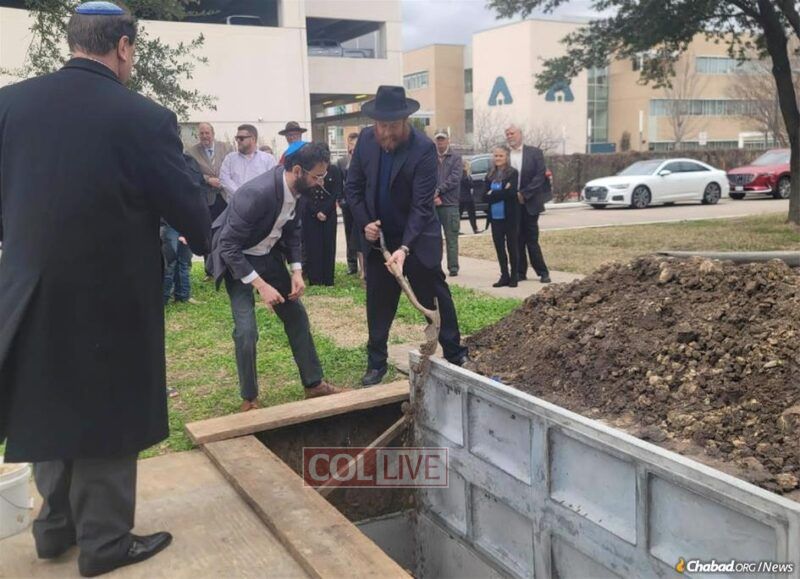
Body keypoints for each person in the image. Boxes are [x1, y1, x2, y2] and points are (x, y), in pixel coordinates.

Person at [0, 3, 210, 577]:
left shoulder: (9, 105)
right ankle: (105, 543)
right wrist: (208, 233)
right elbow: (187, 207)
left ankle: (53, 532)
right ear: (123, 46)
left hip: (28, 292)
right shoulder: (142, 117)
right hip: (109, 300)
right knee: (108, 414)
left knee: (46, 406)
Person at [345, 86, 470, 386]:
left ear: (405, 122)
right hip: (377, 237)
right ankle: (376, 363)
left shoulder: (423, 148)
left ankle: (455, 351)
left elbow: (422, 204)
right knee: (378, 298)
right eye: (381, 126)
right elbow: (353, 189)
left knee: (434, 291)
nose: (386, 132)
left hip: (417, 234)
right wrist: (366, 224)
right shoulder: (365, 140)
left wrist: (404, 248)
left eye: (392, 126)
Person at [210, 141, 341, 411]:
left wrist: (296, 271)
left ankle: (313, 384)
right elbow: (228, 246)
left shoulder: (300, 190)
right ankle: (249, 398)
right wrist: (261, 286)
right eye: (316, 176)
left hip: (268, 256)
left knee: (296, 315)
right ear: (297, 170)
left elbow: (293, 230)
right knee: (246, 332)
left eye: (323, 176)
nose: (320, 182)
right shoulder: (256, 194)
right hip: (239, 259)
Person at [505, 125, 552, 283]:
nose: (509, 136)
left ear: (520, 135)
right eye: (507, 134)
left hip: (530, 202)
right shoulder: (505, 155)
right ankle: (520, 271)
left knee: (531, 239)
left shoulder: (535, 153)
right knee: (517, 239)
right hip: (512, 204)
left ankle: (542, 271)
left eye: (512, 133)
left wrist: (524, 194)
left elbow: (539, 177)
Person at [186, 122, 232, 278]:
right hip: (207, 199)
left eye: (207, 133)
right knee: (209, 232)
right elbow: (191, 173)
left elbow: (232, 166)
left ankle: (227, 266)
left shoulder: (226, 147)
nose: (205, 136)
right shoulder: (192, 152)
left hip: (226, 197)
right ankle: (210, 269)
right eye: (202, 133)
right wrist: (207, 179)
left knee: (227, 231)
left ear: (213, 133)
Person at [161, 154, 206, 304]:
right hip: (169, 222)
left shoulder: (190, 161)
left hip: (187, 220)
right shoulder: (164, 166)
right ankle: (163, 299)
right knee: (170, 260)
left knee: (184, 260)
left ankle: (183, 295)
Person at [302, 144, 338, 286]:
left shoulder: (333, 170)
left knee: (329, 246)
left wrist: (325, 211)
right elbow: (305, 194)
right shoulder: (309, 172)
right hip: (311, 213)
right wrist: (316, 211)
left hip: (329, 214)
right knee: (313, 246)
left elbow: (336, 192)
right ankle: (315, 278)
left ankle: (328, 278)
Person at [484, 146, 520, 288]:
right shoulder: (489, 175)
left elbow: (511, 194)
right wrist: (499, 193)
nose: (498, 158)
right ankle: (504, 275)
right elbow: (483, 196)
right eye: (496, 156)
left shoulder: (513, 173)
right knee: (499, 247)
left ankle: (514, 276)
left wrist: (492, 194)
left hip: (510, 217)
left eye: (501, 156)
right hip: (495, 217)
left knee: (512, 246)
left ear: (507, 157)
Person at [433, 130, 463, 277]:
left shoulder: (456, 158)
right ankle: (435, 266)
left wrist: (439, 191)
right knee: (434, 239)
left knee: (451, 238)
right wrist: (433, 195)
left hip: (450, 204)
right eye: (438, 139)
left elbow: (455, 179)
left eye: (442, 139)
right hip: (433, 204)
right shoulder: (430, 157)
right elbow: (426, 176)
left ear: (448, 140)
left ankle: (453, 267)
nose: (440, 142)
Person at [219, 124, 277, 200]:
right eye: (237, 138)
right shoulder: (230, 158)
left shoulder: (268, 159)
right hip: (236, 206)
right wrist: (241, 194)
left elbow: (273, 181)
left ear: (253, 139)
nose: (238, 141)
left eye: (241, 138)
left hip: (260, 204)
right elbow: (224, 179)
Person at [337, 132, 360, 275]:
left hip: (360, 203)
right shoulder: (342, 162)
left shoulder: (363, 159)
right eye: (351, 143)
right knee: (349, 233)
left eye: (355, 143)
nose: (353, 146)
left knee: (360, 233)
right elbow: (339, 183)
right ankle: (351, 264)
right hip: (347, 203)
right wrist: (340, 200)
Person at [459, 159, 480, 235]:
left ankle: (474, 228)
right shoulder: (464, 174)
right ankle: (475, 229)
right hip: (466, 197)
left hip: (462, 197)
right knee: (471, 214)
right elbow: (469, 184)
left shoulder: (461, 174)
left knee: (460, 214)